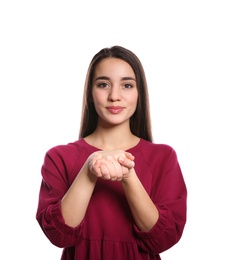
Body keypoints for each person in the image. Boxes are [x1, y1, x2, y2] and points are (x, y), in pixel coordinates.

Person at [36, 45, 187, 260]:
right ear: (90, 92)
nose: (114, 96)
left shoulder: (163, 157)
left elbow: (163, 238)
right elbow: (59, 236)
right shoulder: (59, 157)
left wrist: (128, 177)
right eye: (103, 84)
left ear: (139, 93)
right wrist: (89, 171)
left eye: (127, 85)